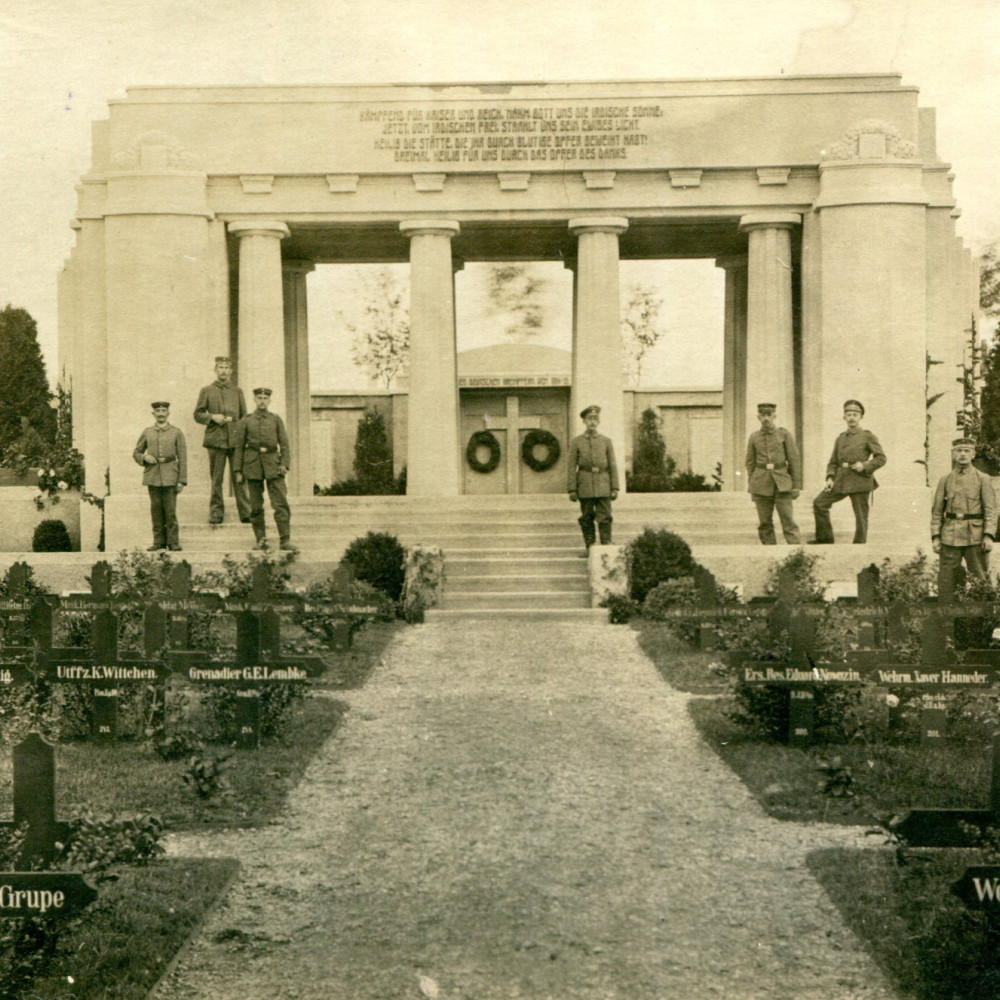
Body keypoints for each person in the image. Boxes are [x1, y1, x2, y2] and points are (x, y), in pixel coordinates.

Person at [931, 437, 997, 603]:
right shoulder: (945, 480)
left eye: (967, 451)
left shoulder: (983, 478)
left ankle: (982, 622)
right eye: (959, 451)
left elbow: (990, 510)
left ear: (973, 454)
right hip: (949, 536)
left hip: (975, 536)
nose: (962, 454)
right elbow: (937, 511)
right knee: (946, 580)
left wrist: (988, 535)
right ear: (953, 454)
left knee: (979, 578)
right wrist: (936, 537)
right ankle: (946, 621)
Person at [811, 399, 886, 544]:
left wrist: (864, 465)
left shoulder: (867, 436)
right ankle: (825, 539)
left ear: (861, 417)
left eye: (855, 415)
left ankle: (859, 545)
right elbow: (833, 462)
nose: (852, 417)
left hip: (860, 480)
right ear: (844, 417)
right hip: (841, 480)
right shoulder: (840, 438)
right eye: (849, 414)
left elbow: (881, 458)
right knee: (819, 503)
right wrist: (830, 478)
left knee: (861, 516)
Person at [233, 388, 296, 553]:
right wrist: (238, 471)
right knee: (255, 506)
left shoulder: (276, 420)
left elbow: (285, 445)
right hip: (252, 465)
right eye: (259, 398)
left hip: (273, 465)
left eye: (265, 398)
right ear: (254, 400)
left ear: (269, 401)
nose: (262, 401)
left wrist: (284, 464)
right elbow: (239, 447)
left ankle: (285, 540)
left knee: (280, 503)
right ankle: (260, 540)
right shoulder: (246, 421)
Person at [193, 356, 251, 525]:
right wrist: (212, 417)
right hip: (216, 439)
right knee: (217, 478)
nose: (223, 370)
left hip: (235, 439)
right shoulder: (207, 390)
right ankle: (216, 513)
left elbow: (244, 417)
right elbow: (197, 414)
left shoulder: (237, 391)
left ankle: (246, 512)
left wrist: (242, 438)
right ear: (215, 370)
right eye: (220, 367)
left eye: (226, 367)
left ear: (231, 371)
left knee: (239, 477)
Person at [132, 401, 186, 551]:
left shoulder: (176, 432)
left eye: (164, 411)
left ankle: (173, 542)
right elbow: (136, 452)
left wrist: (182, 480)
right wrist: (144, 458)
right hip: (153, 476)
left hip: (171, 475)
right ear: (153, 414)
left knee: (170, 511)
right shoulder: (147, 432)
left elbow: (182, 457)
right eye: (158, 411)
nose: (161, 413)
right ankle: (158, 542)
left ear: (168, 413)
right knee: (156, 510)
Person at [745, 402, 801, 545]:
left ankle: (795, 551)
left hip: (782, 483)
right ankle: (769, 551)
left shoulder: (784, 434)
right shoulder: (754, 437)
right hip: (761, 483)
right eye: (763, 415)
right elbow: (750, 463)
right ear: (758, 417)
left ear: (774, 415)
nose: (766, 418)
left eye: (769, 415)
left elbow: (794, 460)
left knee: (788, 520)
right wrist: (753, 483)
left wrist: (796, 486)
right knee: (764, 522)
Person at [567, 404, 619, 551]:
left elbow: (612, 465)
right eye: (590, 418)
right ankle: (590, 547)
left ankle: (606, 546)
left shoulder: (606, 441)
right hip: (585, 483)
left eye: (595, 419)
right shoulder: (576, 442)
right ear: (584, 421)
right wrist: (572, 488)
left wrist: (614, 487)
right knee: (587, 517)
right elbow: (571, 466)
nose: (593, 422)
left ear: (599, 421)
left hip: (603, 482)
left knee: (605, 516)